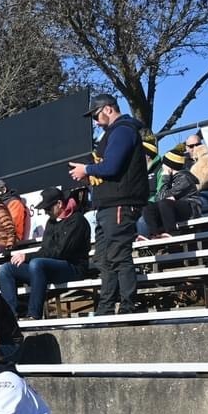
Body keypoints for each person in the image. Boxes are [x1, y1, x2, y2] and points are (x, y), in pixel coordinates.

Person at [70, 94, 149, 316]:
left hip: (120, 204)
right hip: (108, 205)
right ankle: (105, 307)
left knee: (118, 255)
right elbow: (110, 169)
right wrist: (89, 173)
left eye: (96, 115)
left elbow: (112, 166)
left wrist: (86, 169)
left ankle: (128, 306)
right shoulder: (113, 133)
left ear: (107, 109)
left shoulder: (123, 130)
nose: (95, 122)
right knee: (104, 259)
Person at [0, 187, 91, 320]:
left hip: (73, 268)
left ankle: (33, 314)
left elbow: (60, 252)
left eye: (48, 208)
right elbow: (45, 249)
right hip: (48, 268)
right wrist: (26, 258)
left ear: (59, 204)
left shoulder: (77, 221)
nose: (46, 212)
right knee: (6, 269)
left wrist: (27, 257)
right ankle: (10, 317)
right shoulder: (51, 222)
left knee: (37, 263)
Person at [140, 147, 203, 238]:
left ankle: (172, 232)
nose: (161, 167)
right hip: (173, 207)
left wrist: (165, 178)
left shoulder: (184, 178)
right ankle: (154, 234)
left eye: (163, 164)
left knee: (165, 203)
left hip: (190, 208)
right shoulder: (170, 178)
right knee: (148, 206)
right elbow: (158, 197)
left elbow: (162, 197)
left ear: (169, 166)